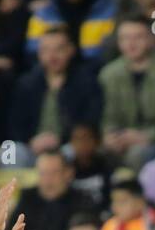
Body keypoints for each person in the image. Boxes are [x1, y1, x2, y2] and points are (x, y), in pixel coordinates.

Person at [98, 14, 155, 166]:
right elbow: (108, 117)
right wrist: (111, 136)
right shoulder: (108, 74)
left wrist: (146, 136)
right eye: (124, 38)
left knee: (137, 155)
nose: (131, 44)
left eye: (138, 37)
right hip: (121, 138)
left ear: (152, 39)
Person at [10, 24, 103, 163]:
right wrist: (31, 141)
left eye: (59, 49)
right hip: (32, 145)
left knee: (75, 151)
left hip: (68, 145)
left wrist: (60, 140)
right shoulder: (26, 84)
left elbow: (89, 121)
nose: (52, 56)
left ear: (71, 50)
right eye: (46, 50)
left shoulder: (86, 82)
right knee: (11, 153)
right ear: (39, 53)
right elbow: (14, 123)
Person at [26, 0, 118, 64]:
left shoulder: (108, 10)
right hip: (53, 72)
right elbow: (33, 51)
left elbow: (113, 51)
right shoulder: (45, 12)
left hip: (97, 71)